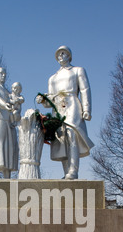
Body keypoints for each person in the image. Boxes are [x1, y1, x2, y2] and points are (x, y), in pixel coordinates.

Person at [36, 46, 94, 179]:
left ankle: (73, 170)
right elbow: (49, 100)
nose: (61, 56)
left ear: (69, 55)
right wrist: (43, 100)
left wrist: (87, 109)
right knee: (60, 138)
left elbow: (85, 89)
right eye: (59, 54)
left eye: (64, 53)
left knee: (71, 134)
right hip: (57, 108)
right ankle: (66, 171)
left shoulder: (77, 70)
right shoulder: (52, 78)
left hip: (72, 104)